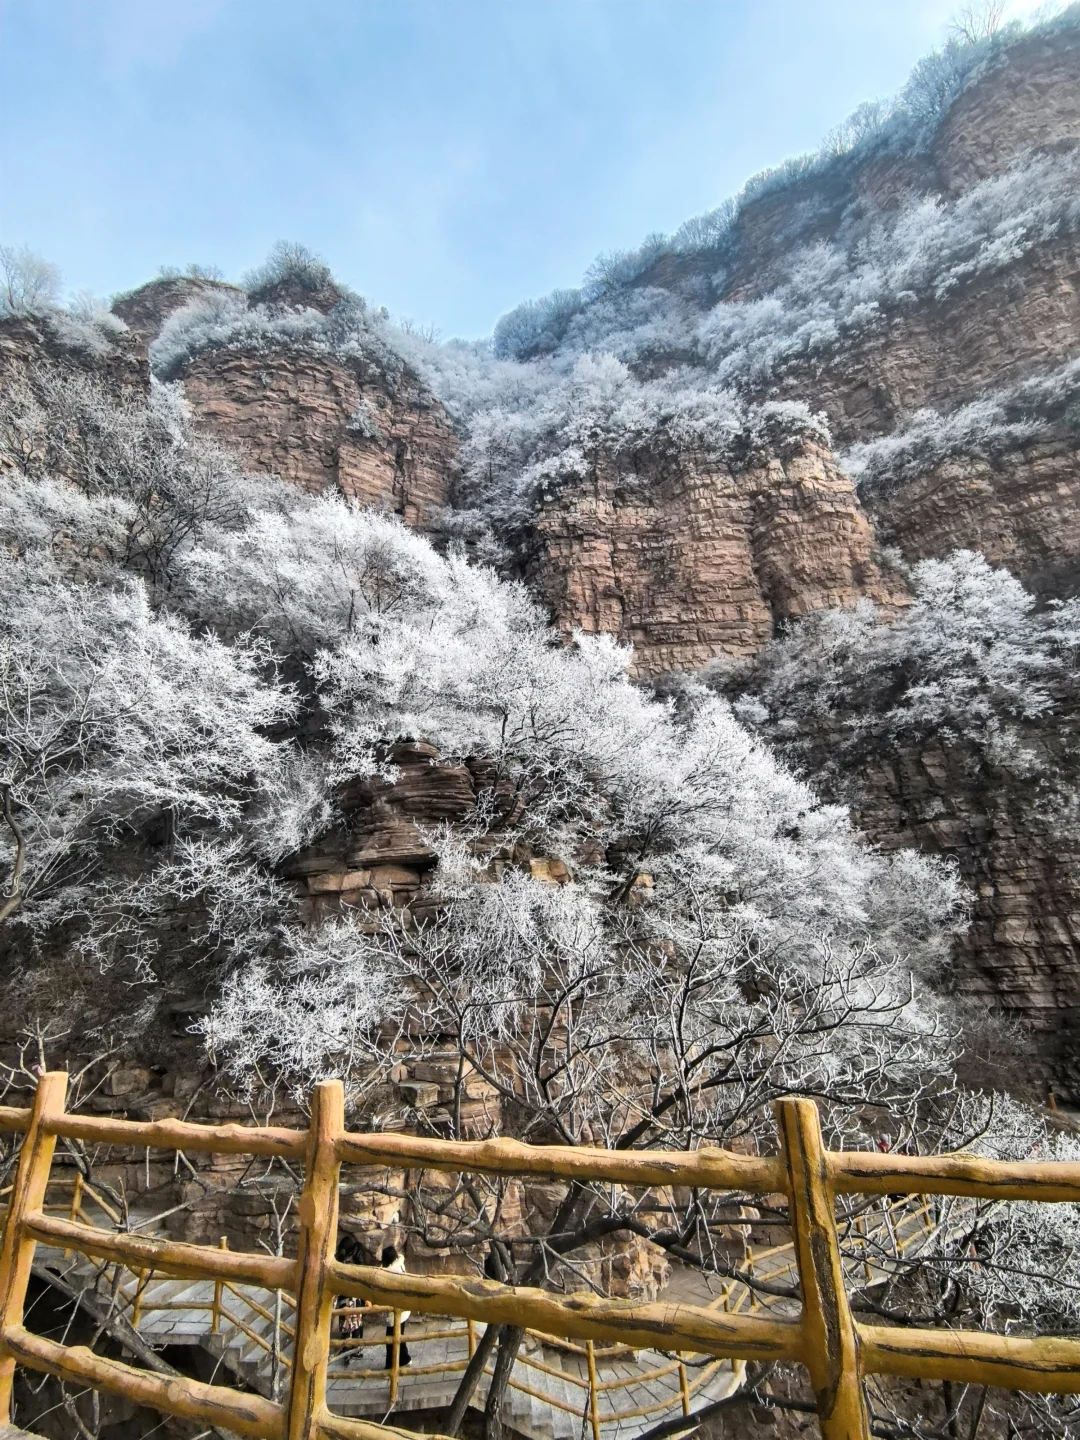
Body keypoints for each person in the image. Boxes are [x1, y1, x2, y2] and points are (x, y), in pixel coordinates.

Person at [333, 1232, 369, 1367]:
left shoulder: (339, 1260)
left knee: (346, 1326)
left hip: (344, 1299)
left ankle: (347, 1351)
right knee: (356, 1325)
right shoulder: (352, 1261)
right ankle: (353, 1351)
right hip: (354, 1297)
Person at [382, 1243, 412, 1370]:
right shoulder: (400, 1264)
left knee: (391, 1339)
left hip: (395, 1310)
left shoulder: (391, 1273)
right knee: (399, 1334)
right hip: (403, 1308)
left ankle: (391, 1365)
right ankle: (404, 1359)